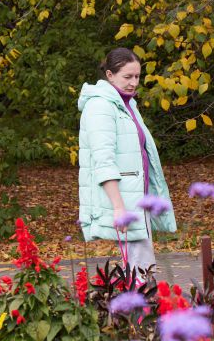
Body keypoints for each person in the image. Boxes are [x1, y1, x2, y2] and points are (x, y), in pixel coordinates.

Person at [77, 47, 177, 273]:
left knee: (141, 269)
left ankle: (139, 306)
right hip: (124, 202)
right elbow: (103, 161)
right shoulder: (100, 106)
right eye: (127, 77)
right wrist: (119, 208)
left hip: (137, 198)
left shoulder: (127, 103)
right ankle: (139, 308)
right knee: (141, 273)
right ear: (110, 75)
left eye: (137, 77)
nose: (133, 83)